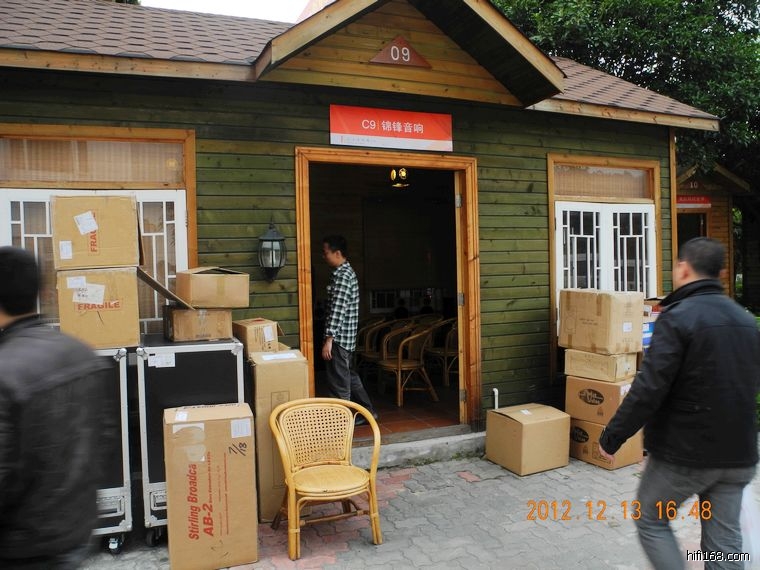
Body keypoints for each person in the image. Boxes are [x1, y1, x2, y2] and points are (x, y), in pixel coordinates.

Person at [598, 237, 760, 570]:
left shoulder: (677, 317)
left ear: (684, 269)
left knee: (650, 518)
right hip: (739, 455)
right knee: (724, 541)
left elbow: (649, 388)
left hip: (687, 454)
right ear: (721, 273)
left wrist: (612, 437)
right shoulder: (746, 321)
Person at [0, 246, 111, 569]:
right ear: (40, 292)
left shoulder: (5, 372)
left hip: (22, 547)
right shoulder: (81, 354)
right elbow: (104, 440)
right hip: (76, 531)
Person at [320, 235, 377, 423]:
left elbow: (338, 310)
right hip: (346, 340)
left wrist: (329, 339)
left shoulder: (343, 276)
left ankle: (341, 424)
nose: (323, 256)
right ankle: (369, 413)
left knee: (339, 383)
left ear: (337, 253)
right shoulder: (343, 273)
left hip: (339, 340)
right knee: (350, 377)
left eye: (325, 252)